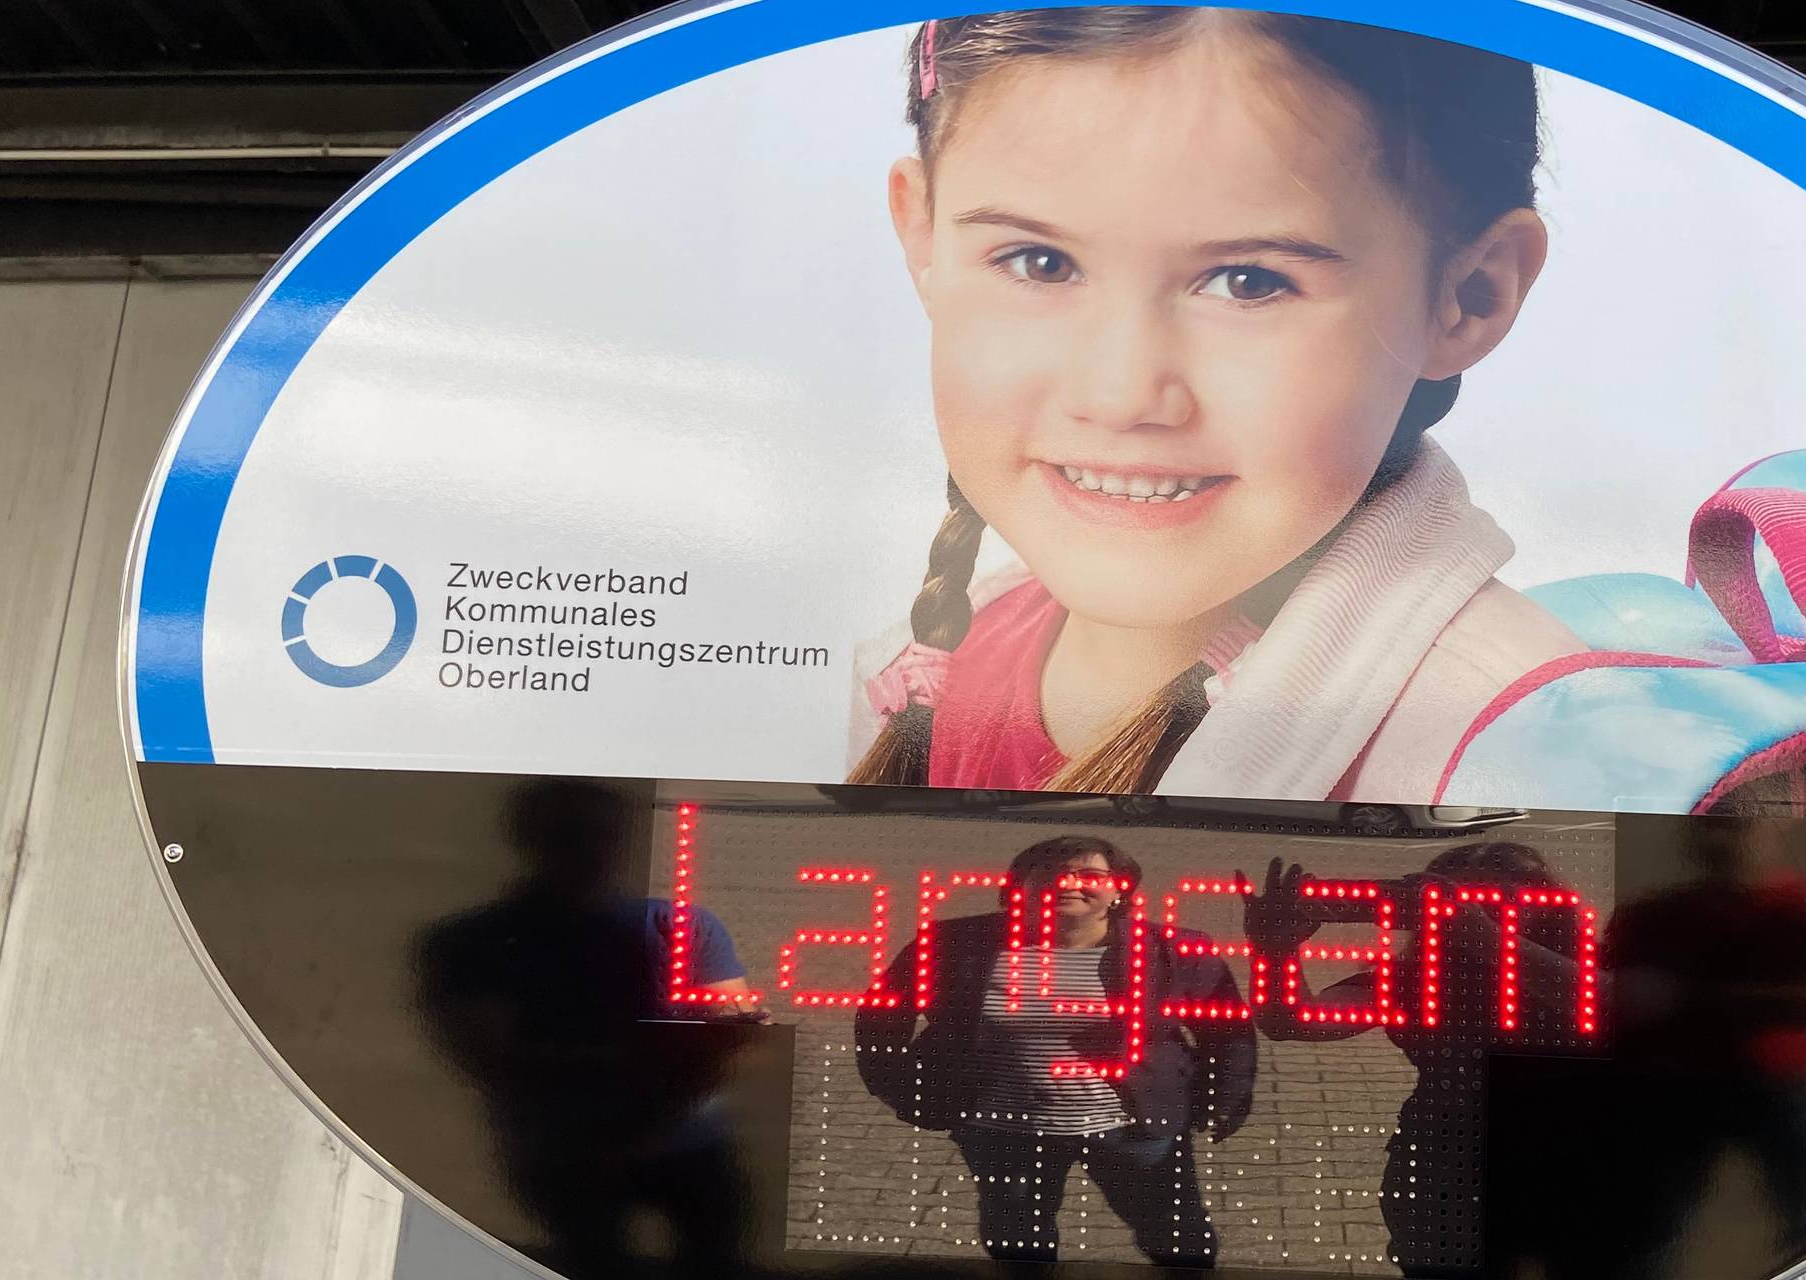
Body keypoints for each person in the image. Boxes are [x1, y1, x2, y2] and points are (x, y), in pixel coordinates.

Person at [848, 8, 1582, 803]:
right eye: (1040, 262)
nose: (1121, 394)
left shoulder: (1523, 755)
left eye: (1249, 282)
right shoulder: (920, 676)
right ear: (922, 239)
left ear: (1469, 294)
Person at [414, 779, 764, 1279]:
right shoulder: (471, 944)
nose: (590, 848)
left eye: (602, 833)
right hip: (573, 1156)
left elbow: (735, 1036)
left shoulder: (683, 929)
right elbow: (492, 1059)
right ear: (529, 838)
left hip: (669, 1147)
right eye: (571, 833)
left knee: (713, 1257)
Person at [854, 835, 1255, 1266]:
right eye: (1049, 875)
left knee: (1179, 1241)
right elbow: (881, 1018)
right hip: (1003, 1132)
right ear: (1018, 887)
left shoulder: (1173, 950)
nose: (1069, 885)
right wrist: (904, 1090)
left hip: (1133, 1130)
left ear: (1119, 889)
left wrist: (1224, 1098)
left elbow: (1227, 1032)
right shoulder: (953, 944)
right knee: (1017, 1242)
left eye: (1090, 875)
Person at [1243, 843, 1588, 1277]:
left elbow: (1615, 1008)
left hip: (1562, 1167)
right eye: (1456, 902)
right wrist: (1273, 954)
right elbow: (1291, 1021)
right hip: (1439, 1171)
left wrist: (1482, 938)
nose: (1470, 915)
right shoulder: (1413, 978)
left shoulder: (1582, 972)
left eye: (1490, 903)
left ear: (1545, 907)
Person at [1593, 817, 1806, 1275]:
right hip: (1675, 1090)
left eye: (1737, 826)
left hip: (1792, 1090)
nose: (1719, 838)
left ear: (1778, 828)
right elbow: (1610, 1003)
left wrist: (1684, 997)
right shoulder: (1649, 917)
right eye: (1708, 826)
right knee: (1642, 1238)